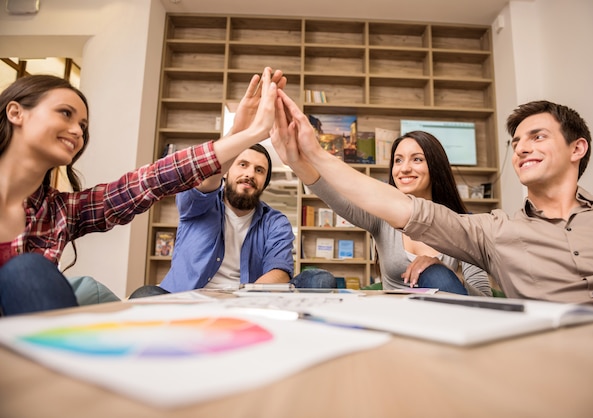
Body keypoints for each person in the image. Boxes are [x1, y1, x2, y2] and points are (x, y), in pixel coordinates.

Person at [272, 91, 593, 320]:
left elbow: (479, 299)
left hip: (456, 317)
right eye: (515, 141)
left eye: (537, 137)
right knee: (318, 278)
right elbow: (353, 196)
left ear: (576, 149)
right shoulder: (495, 231)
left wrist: (446, 270)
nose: (520, 148)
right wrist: (303, 158)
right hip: (410, 321)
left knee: (437, 273)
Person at [0, 67, 281, 316]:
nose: (77, 131)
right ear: (16, 113)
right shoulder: (208, 202)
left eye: (83, 126)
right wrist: (246, 135)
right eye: (65, 113)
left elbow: (150, 182)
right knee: (27, 270)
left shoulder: (61, 211)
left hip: (30, 342)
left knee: (28, 271)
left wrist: (243, 134)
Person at [278, 128, 491, 296]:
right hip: (395, 317)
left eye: (417, 159)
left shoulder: (464, 224)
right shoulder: (382, 217)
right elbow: (334, 195)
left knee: (437, 275)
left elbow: (484, 298)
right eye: (398, 160)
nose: (404, 168)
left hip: (442, 316)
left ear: (435, 166)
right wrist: (295, 162)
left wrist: (450, 276)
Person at [130, 142, 335, 297]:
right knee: (144, 294)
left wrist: (240, 300)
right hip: (186, 302)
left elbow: (279, 272)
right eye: (243, 165)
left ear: (264, 183)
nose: (249, 174)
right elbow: (203, 185)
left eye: (259, 170)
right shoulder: (199, 203)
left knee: (320, 280)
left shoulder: (275, 222)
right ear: (225, 172)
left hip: (246, 302)